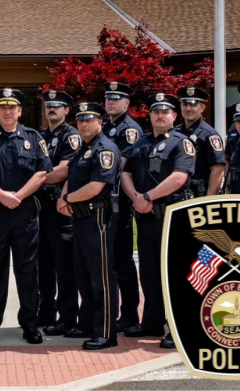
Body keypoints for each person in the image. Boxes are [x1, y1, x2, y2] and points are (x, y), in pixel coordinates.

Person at [0, 88, 52, 345]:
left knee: (28, 271)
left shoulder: (33, 137)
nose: (7, 112)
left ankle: (30, 324)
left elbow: (42, 172)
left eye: (11, 107)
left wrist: (19, 196)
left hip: (24, 213)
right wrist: (1, 194)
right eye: (2, 107)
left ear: (19, 111)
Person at [122, 93, 196, 347]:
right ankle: (151, 322)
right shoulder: (141, 142)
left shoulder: (181, 143)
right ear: (150, 115)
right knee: (150, 273)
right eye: (156, 112)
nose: (160, 116)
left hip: (172, 218)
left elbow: (179, 178)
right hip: (145, 218)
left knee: (175, 275)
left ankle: (177, 329)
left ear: (174, 117)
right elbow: (126, 173)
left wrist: (147, 196)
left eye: (165, 112)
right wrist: (136, 197)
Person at [57, 102, 121, 350]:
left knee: (102, 277)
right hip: (81, 218)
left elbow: (96, 187)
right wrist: (66, 198)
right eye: (80, 120)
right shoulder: (84, 149)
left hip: (98, 218)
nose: (83, 124)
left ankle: (106, 332)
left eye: (89, 120)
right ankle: (86, 324)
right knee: (83, 274)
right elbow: (71, 176)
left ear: (100, 123)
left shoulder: (105, 149)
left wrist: (66, 200)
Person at [37, 90, 80, 337]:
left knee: (64, 267)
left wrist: (34, 180)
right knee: (43, 265)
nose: (52, 109)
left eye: (58, 106)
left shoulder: (71, 136)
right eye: (49, 105)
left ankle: (67, 317)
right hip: (40, 208)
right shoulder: (41, 136)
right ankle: (46, 312)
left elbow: (64, 169)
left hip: (60, 209)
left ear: (67, 110)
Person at [101, 81, 142, 331]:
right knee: (109, 261)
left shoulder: (130, 130)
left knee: (122, 260)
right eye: (108, 99)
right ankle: (114, 313)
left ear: (127, 103)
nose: (111, 103)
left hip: (121, 204)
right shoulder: (104, 126)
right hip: (104, 202)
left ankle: (129, 315)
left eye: (116, 99)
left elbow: (121, 163)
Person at [173, 87, 227, 197]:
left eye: (193, 105)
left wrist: (209, 199)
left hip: (198, 194)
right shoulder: (175, 132)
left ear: (202, 108)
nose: (188, 109)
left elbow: (218, 169)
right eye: (185, 104)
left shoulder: (209, 135)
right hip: (176, 194)